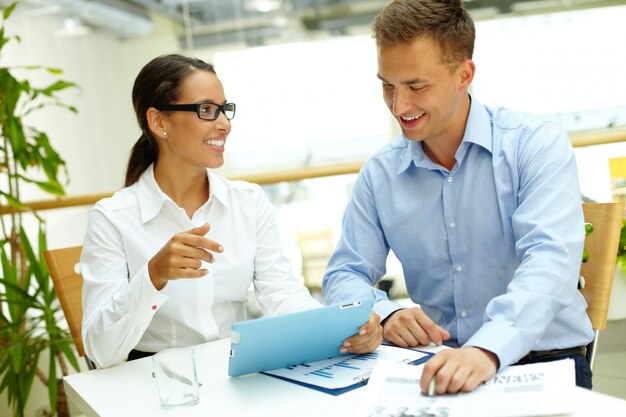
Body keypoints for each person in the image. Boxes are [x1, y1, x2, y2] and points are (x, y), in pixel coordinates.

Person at [323, 0, 594, 394]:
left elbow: (550, 261)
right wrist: (384, 313)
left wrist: (486, 350)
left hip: (544, 361)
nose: (399, 106)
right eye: (388, 85)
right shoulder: (380, 173)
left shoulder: (534, 145)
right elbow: (343, 273)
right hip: (440, 363)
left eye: (417, 86)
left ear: (464, 74)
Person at [80, 54, 382, 368]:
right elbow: (101, 351)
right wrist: (153, 276)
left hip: (235, 372)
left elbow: (281, 295)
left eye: (225, 110)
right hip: (158, 384)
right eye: (206, 110)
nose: (224, 124)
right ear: (159, 122)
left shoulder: (248, 202)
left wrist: (346, 327)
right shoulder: (113, 218)